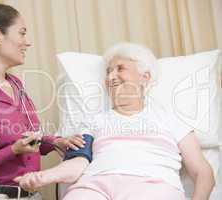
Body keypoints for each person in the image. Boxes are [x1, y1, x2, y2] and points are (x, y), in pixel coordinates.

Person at [14, 42, 215, 200]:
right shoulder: (93, 121)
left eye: (120, 69)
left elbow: (203, 172)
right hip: (94, 185)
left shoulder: (170, 119)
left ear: (145, 77)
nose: (111, 76)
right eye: (108, 72)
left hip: (152, 185)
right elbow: (78, 162)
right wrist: (46, 176)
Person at [0, 4, 85, 200]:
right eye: (22, 33)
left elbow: (29, 140)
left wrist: (55, 142)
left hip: (33, 195)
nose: (27, 43)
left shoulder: (16, 86)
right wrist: (11, 151)